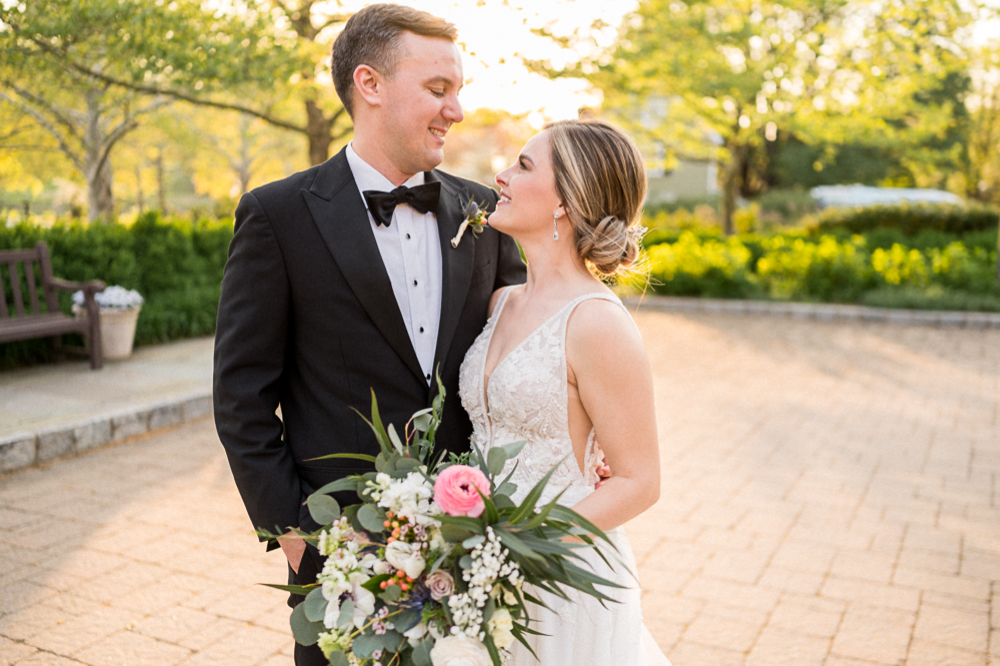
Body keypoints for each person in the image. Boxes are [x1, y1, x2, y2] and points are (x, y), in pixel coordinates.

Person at [212, 5, 526, 665]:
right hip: (342, 557)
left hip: (471, 549)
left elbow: (524, 352)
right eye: (439, 90)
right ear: (370, 85)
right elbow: (241, 391)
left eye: (459, 90)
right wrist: (293, 530)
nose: (459, 109)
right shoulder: (277, 215)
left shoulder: (486, 213)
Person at [458, 118, 671, 664]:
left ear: (564, 202)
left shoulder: (598, 322)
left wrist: (526, 543)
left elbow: (640, 480)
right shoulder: (500, 302)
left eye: (523, 166)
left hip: (558, 578)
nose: (500, 177)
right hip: (475, 571)